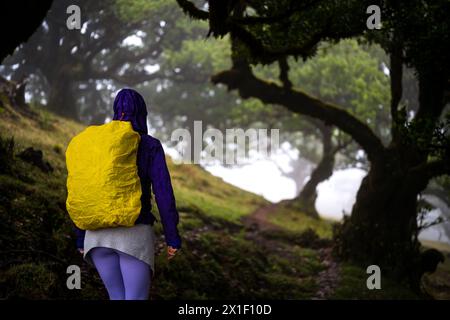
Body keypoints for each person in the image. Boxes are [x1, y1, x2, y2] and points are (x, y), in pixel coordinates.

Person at [73, 88, 181, 300]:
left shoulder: (97, 144)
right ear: (142, 112)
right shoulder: (149, 144)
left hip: (96, 238)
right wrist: (172, 237)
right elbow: (163, 193)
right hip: (132, 236)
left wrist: (80, 237)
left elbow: (84, 189)